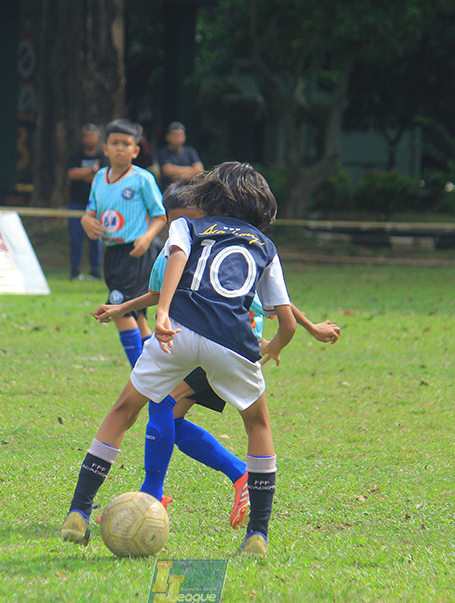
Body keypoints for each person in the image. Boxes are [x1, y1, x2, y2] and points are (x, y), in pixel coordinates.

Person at [62, 161, 297, 557]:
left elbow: (174, 260)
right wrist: (273, 347)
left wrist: (164, 313)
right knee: (257, 424)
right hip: (234, 342)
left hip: (180, 330)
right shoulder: (265, 246)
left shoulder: (189, 226)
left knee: (124, 410)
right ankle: (257, 534)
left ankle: (79, 511)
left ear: (208, 197)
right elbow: (286, 322)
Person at [93, 181, 341, 529]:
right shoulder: (179, 251)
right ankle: (220, 479)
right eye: (173, 220)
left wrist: (311, 326)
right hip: (211, 338)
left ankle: (158, 494)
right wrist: (123, 308)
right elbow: (155, 294)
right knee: (170, 417)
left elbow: (275, 299)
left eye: (189, 218)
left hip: (221, 339)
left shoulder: (216, 243)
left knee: (162, 406)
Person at [81, 119, 167, 366]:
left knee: (119, 309)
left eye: (126, 144)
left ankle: (141, 378)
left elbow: (160, 215)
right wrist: (86, 221)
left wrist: (147, 237)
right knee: (138, 317)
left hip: (137, 252)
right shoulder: (99, 177)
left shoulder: (143, 179)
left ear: (135, 150)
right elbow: (91, 211)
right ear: (105, 148)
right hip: (112, 251)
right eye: (114, 143)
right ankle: (157, 373)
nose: (120, 148)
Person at [66, 123, 106, 280]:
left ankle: (95, 271)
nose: (89, 139)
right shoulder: (76, 156)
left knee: (96, 238)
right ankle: (75, 270)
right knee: (76, 238)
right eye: (86, 135)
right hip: (77, 203)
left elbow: (102, 176)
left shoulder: (103, 156)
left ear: (97, 138)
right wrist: (90, 171)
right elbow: (72, 174)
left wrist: (86, 175)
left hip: (97, 205)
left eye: (92, 135)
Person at [156, 121, 203, 191]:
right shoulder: (163, 152)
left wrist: (179, 175)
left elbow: (199, 171)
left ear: (184, 137)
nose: (177, 137)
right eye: (174, 135)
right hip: (170, 191)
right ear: (167, 137)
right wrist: (190, 170)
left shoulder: (190, 151)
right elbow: (167, 170)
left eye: (180, 135)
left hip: (189, 191)